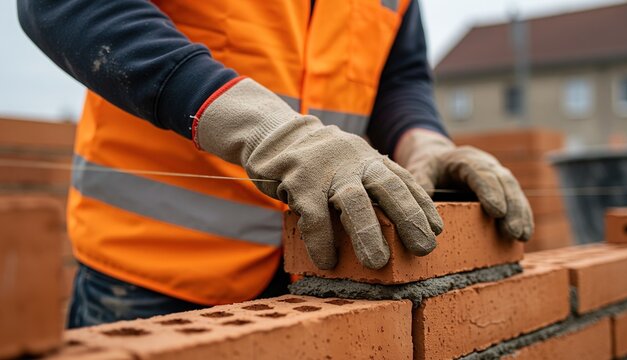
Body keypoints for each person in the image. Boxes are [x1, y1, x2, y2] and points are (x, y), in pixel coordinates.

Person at [18, 0, 533, 328]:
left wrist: (425, 146)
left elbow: (399, 77)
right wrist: (269, 131)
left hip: (319, 270)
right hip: (151, 272)